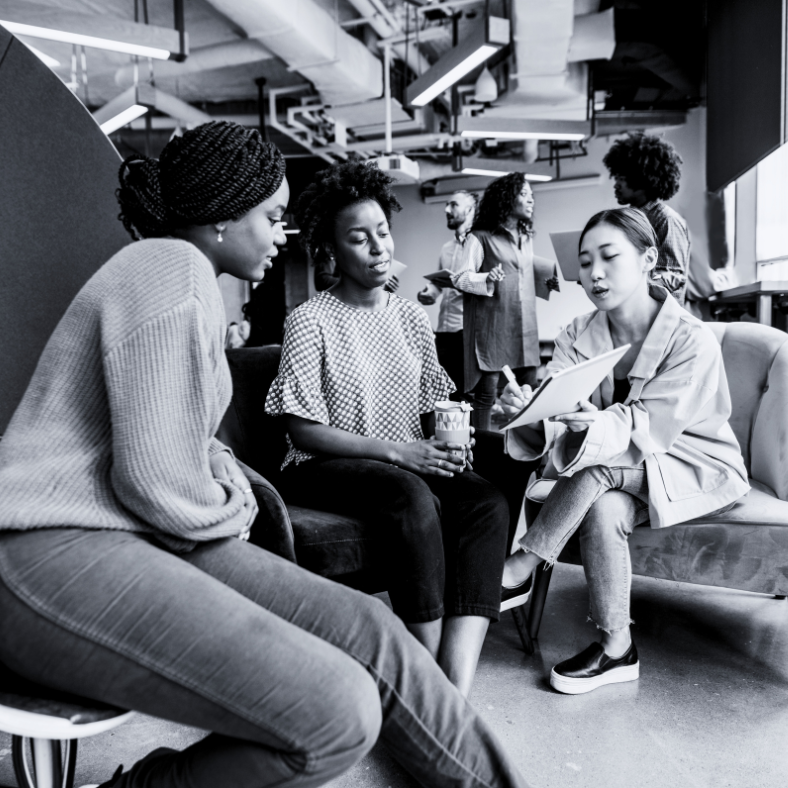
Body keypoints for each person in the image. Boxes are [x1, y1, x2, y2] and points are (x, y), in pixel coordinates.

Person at [0, 121, 528, 788]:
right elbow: (156, 483)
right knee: (337, 713)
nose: (283, 235)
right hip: (43, 549)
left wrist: (224, 481)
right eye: (274, 217)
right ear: (223, 217)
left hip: (129, 536)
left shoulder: (183, 278)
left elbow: (180, 443)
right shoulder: (171, 270)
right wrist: (236, 505)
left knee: (371, 625)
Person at [265, 161, 511, 699]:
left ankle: (453, 687)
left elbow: (432, 401)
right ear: (332, 252)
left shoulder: (409, 317)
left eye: (382, 233)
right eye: (359, 238)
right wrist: (402, 454)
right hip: (323, 466)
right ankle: (420, 681)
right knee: (410, 493)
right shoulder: (310, 319)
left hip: (404, 457)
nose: (378, 247)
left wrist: (455, 433)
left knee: (486, 501)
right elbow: (302, 431)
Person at [499, 207, 749, 695]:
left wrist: (581, 423)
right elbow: (561, 415)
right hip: (623, 471)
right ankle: (618, 649)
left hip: (693, 464)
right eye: (585, 261)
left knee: (600, 470)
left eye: (609, 257)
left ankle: (520, 567)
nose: (593, 273)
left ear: (649, 258)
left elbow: (648, 430)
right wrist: (530, 411)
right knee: (605, 504)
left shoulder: (691, 340)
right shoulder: (576, 332)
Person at [452, 173, 555, 432]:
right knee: (486, 396)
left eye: (532, 194)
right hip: (493, 327)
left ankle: (528, 449)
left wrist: (552, 278)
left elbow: (524, 270)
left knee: (529, 394)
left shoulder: (526, 236)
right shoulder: (480, 236)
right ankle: (485, 454)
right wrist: (486, 278)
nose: (531, 198)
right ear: (506, 198)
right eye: (524, 193)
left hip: (525, 326)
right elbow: (459, 278)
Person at [604, 131, 690, 306]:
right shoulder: (626, 221)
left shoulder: (666, 220)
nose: (616, 185)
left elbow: (672, 279)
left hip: (660, 319)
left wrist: (623, 280)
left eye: (621, 178)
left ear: (642, 179)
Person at [417, 190, 478, 397]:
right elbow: (437, 285)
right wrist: (428, 293)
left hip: (467, 331)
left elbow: (487, 286)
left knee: (465, 394)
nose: (446, 210)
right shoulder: (446, 248)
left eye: (453, 205)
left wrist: (462, 283)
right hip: (443, 332)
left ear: (470, 209)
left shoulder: (479, 246)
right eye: (446, 205)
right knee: (444, 393)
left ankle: (467, 431)